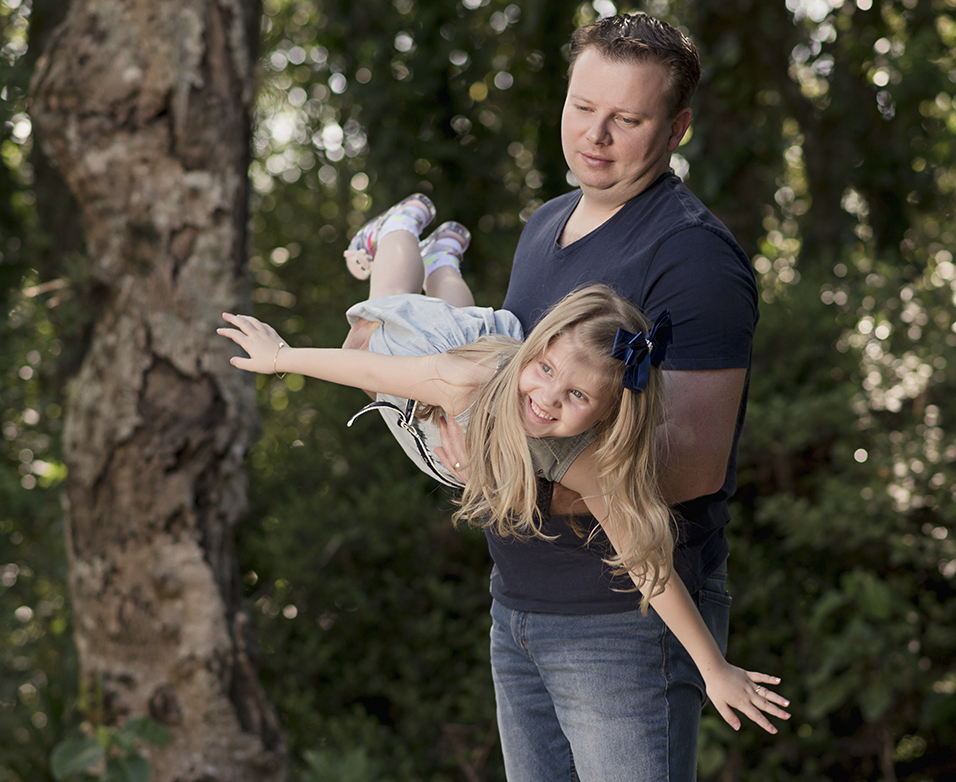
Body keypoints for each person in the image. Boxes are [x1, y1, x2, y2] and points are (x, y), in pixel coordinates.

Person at [216, 193, 789, 737]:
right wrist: (280, 360)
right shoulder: (469, 379)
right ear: (537, 346)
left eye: (578, 397)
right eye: (545, 371)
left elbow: (647, 564)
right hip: (429, 359)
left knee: (460, 314)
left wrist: (714, 669)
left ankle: (443, 257)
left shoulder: (581, 459)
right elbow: (369, 375)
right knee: (377, 321)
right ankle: (398, 228)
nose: (548, 399)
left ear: (610, 411)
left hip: (474, 352)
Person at [433, 13, 767, 781]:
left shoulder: (693, 259)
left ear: (677, 127)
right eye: (583, 107)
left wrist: (501, 472)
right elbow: (513, 394)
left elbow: (691, 468)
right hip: (517, 604)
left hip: (626, 622)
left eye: (628, 118)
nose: (595, 136)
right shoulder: (546, 223)